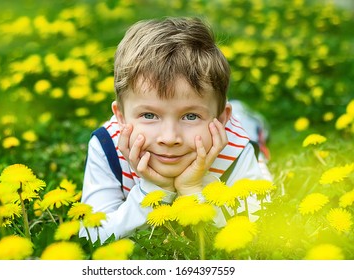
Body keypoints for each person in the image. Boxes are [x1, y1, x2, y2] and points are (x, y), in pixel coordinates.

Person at [80, 17, 272, 243]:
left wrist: (193, 190)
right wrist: (152, 191)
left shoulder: (236, 149)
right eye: (149, 115)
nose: (169, 138)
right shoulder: (107, 146)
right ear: (120, 117)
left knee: (256, 150)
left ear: (220, 120)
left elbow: (255, 236)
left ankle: (249, 123)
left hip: (236, 137)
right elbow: (91, 238)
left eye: (191, 116)